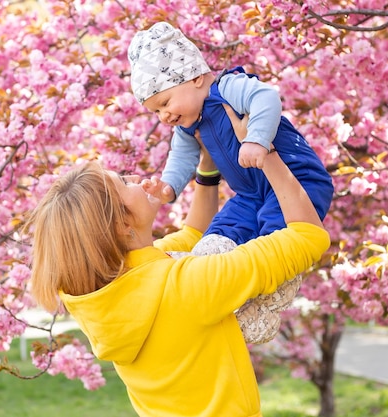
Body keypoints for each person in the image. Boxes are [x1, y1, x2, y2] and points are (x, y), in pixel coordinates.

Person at [25, 136, 330, 416]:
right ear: (121, 223)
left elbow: (193, 234)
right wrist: (268, 155)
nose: (134, 178)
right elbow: (307, 237)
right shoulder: (186, 284)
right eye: (123, 182)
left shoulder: (109, 288)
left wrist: (207, 169)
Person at [127, 21, 334, 343]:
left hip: (297, 180)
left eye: (165, 103)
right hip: (250, 193)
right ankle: (199, 271)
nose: (163, 117)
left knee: (274, 238)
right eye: (155, 112)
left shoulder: (229, 88)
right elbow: (181, 159)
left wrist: (257, 140)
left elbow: (266, 97)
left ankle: (263, 305)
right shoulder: (187, 126)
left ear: (195, 78)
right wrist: (168, 188)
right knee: (222, 229)